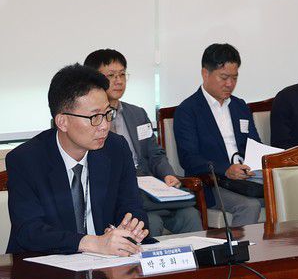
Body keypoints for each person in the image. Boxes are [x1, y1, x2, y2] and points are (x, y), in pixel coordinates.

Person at [6, 64, 150, 255]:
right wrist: (93, 243)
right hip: (45, 264)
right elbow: (30, 231)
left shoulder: (116, 149)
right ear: (62, 121)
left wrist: (130, 228)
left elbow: (132, 207)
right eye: (95, 117)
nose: (105, 126)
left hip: (106, 263)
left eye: (108, 113)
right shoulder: (25, 160)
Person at [84, 49, 203, 236]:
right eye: (111, 75)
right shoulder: (89, 119)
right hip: (119, 192)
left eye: (122, 74)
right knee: (150, 222)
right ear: (94, 79)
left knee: (190, 215)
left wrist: (168, 174)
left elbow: (155, 153)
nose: (119, 80)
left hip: (150, 189)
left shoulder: (137, 114)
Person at [174, 43, 263, 226]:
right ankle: (242, 246)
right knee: (250, 206)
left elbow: (254, 144)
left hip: (247, 179)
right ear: (205, 74)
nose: (230, 84)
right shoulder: (188, 110)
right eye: (224, 77)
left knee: (286, 193)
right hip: (212, 182)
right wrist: (226, 169)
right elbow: (189, 158)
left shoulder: (240, 106)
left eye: (234, 78)